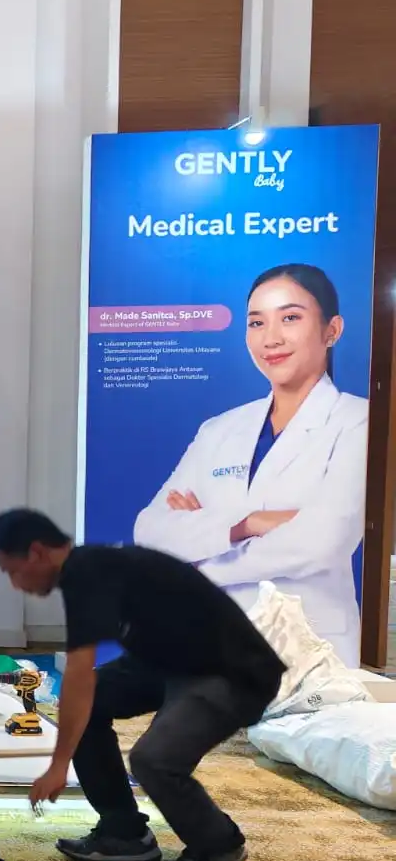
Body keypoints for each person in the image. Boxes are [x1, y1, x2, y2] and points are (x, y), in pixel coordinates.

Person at [0, 508, 285, 861]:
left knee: (153, 759)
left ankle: (219, 844)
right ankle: (123, 832)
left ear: (37, 552)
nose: (14, 584)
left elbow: (78, 673)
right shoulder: (88, 571)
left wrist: (58, 766)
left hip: (233, 673)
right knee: (87, 706)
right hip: (169, 663)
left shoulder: (88, 572)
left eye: (12, 570)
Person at [133, 263, 367, 666]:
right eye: (257, 323)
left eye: (290, 318)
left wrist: (200, 559)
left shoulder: (360, 421)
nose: (271, 338)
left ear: (332, 330)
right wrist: (248, 523)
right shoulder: (219, 429)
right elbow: (150, 530)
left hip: (309, 648)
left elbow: (323, 542)